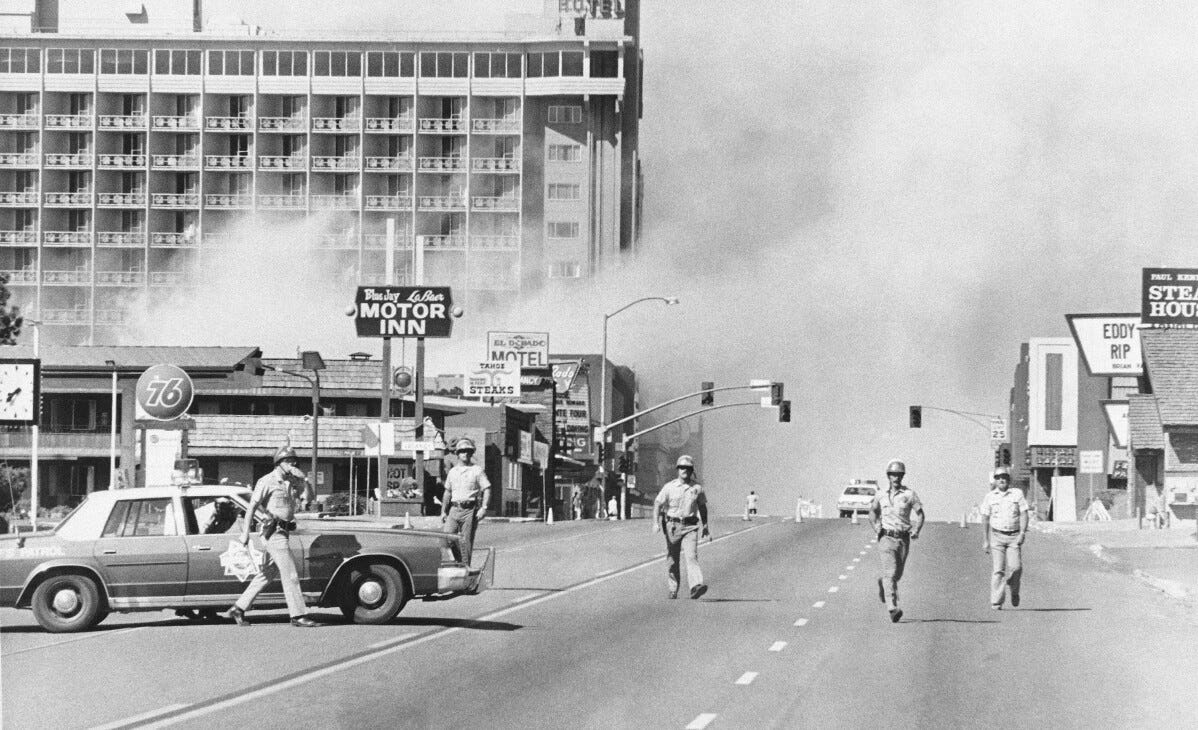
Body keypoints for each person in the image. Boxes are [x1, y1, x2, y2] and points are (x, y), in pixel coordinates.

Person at [222, 446, 318, 627]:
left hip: (284, 531)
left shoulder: (291, 481)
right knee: (290, 573)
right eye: (289, 461)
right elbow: (251, 506)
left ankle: (238, 608)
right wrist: (244, 534)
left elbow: (310, 499)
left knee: (268, 573)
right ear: (279, 463)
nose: (293, 464)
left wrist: (305, 481)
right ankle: (298, 615)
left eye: (294, 461)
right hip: (273, 531)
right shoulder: (266, 481)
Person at [867, 459, 925, 623]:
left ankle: (883, 584)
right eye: (893, 475)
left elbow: (920, 514)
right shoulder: (881, 494)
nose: (896, 478)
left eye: (899, 475)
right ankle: (892, 608)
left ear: (902, 476)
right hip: (886, 538)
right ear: (888, 476)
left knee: (897, 575)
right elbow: (872, 512)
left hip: (903, 539)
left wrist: (916, 530)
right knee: (890, 573)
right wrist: (877, 527)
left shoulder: (909, 494)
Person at [652, 455, 710, 599]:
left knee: (691, 556)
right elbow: (658, 504)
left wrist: (706, 526)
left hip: (690, 526)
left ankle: (696, 586)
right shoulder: (669, 487)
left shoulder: (697, 488)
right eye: (682, 468)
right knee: (672, 559)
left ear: (692, 470)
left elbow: (702, 507)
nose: (685, 470)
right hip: (672, 526)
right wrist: (655, 523)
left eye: (688, 468)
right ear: (678, 470)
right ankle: (673, 588)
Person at [980, 466, 1029, 609]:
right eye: (998, 478)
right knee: (998, 570)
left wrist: (1022, 533)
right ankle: (996, 601)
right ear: (995, 481)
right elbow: (985, 517)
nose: (1002, 480)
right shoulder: (989, 497)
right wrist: (985, 540)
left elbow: (1024, 514)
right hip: (997, 536)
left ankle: (1014, 590)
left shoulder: (1017, 494)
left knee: (1016, 568)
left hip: (1014, 536)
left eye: (1004, 478)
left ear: (1009, 480)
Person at [440, 438, 491, 565]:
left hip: (469, 510)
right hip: (454, 509)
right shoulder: (453, 472)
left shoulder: (477, 470)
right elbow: (447, 492)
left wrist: (484, 508)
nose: (465, 454)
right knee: (446, 538)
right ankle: (458, 561)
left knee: (466, 542)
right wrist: (443, 511)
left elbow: (487, 488)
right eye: (462, 451)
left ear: (471, 453)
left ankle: (465, 568)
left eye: (468, 451)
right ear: (457, 453)